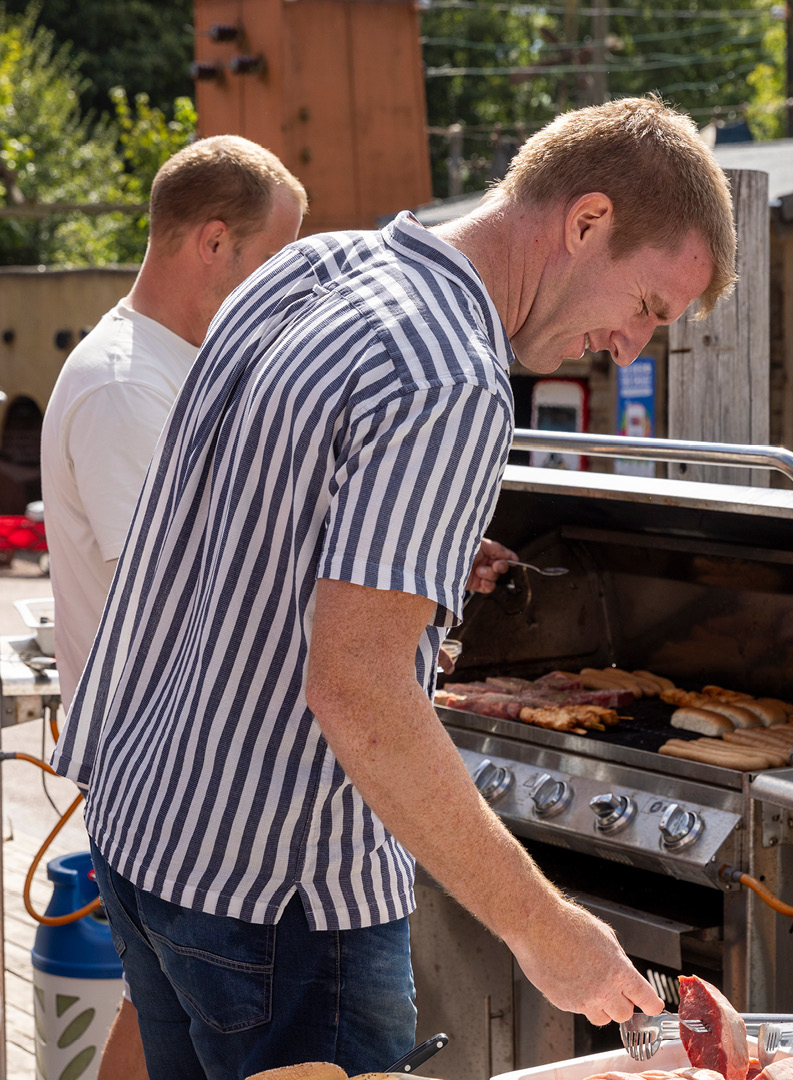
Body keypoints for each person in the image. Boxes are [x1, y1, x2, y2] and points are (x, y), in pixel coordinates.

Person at [50, 94, 738, 1080]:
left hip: (146, 835)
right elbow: (358, 691)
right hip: (280, 899)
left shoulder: (314, 266)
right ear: (587, 222)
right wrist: (544, 930)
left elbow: (239, 530)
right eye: (646, 308)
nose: (631, 347)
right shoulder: (454, 374)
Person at [40, 135, 309, 1080]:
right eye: (277, 258)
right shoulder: (126, 386)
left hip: (172, 758)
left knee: (160, 1018)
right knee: (190, 1020)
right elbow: (186, 586)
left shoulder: (175, 365)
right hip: (165, 761)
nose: (287, 290)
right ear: (212, 242)